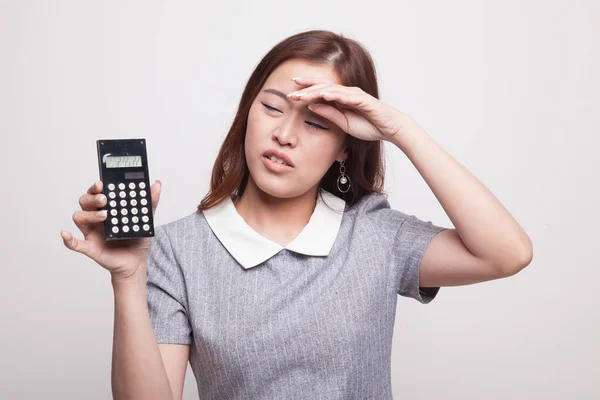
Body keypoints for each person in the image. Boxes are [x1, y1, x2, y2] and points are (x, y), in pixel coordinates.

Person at [61, 29, 533, 400]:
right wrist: (127, 277)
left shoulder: (373, 234)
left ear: (345, 147)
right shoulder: (175, 251)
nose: (285, 134)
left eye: (315, 123)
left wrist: (399, 129)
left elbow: (506, 254)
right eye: (271, 108)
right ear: (248, 112)